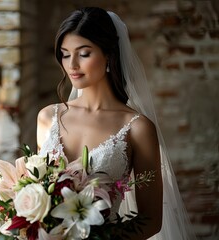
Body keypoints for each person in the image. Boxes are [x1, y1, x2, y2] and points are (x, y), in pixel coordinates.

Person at [37, 7, 196, 240]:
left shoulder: (137, 128)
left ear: (109, 55)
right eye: (65, 53)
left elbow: (151, 221)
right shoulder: (47, 118)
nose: (71, 65)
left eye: (83, 53)